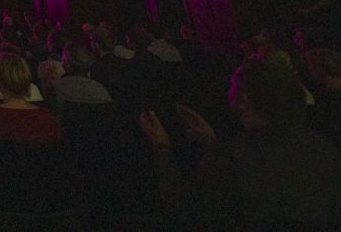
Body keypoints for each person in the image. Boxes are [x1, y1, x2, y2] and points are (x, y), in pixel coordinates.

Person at [139, 58, 341, 227]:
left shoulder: (232, 158)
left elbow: (185, 213)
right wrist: (211, 144)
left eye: (232, 84)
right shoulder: (325, 149)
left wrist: (161, 147)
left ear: (243, 101)